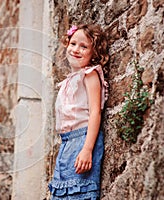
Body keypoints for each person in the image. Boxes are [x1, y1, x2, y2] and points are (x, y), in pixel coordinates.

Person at [48, 24, 109, 200]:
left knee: (78, 194)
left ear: (94, 53)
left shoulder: (90, 75)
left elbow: (95, 113)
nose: (76, 49)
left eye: (84, 47)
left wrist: (87, 149)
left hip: (82, 140)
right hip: (66, 144)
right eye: (73, 43)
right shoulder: (68, 80)